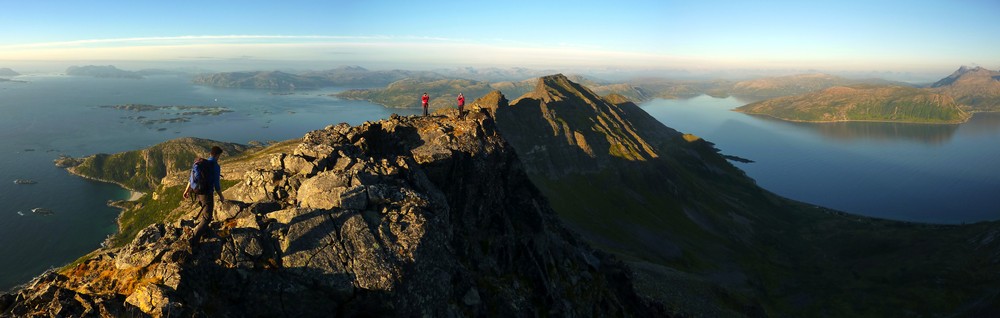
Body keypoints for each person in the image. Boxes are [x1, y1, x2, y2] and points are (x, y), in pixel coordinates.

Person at [182, 146, 225, 247]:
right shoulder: (215, 166)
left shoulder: (201, 164)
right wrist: (221, 196)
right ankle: (194, 240)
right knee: (207, 217)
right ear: (218, 155)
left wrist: (186, 190)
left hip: (197, 191)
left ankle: (204, 231)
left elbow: (191, 178)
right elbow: (217, 184)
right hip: (207, 193)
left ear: (210, 154)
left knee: (204, 210)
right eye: (219, 156)